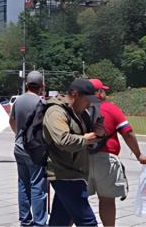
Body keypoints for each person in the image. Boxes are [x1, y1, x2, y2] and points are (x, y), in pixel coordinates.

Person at [87, 79, 146, 227]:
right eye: (103, 90)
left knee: (77, 199)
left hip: (81, 159)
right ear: (99, 93)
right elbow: (127, 133)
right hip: (106, 159)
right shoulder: (110, 108)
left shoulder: (79, 109)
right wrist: (138, 154)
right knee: (107, 200)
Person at [43, 78, 99, 226]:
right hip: (64, 174)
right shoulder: (55, 112)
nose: (89, 103)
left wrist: (98, 134)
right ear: (75, 94)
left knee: (60, 221)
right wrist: (86, 139)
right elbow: (62, 140)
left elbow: (88, 136)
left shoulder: (80, 112)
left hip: (76, 172)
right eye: (87, 99)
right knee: (88, 222)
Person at [9, 71, 48, 227]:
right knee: (38, 185)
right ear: (41, 86)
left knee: (23, 184)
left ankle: (25, 220)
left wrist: (19, 134)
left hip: (19, 146)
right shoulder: (41, 103)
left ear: (26, 84)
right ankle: (39, 222)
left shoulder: (18, 101)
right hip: (35, 149)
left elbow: (11, 121)